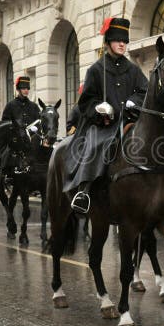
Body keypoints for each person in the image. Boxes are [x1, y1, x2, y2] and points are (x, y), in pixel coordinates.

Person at [64, 16, 148, 213]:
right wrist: (99, 108)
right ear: (108, 42)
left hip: (129, 121)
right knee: (95, 144)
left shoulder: (133, 70)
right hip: (103, 124)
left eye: (125, 41)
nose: (122, 44)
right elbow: (85, 100)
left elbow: (145, 90)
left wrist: (133, 102)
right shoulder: (96, 70)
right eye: (118, 40)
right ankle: (84, 191)